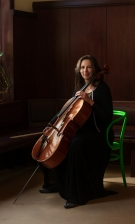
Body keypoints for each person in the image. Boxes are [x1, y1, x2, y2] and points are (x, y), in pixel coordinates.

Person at [39, 55, 116, 209]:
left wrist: (90, 101)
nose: (85, 70)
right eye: (82, 67)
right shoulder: (78, 89)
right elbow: (66, 112)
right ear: (78, 70)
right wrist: (52, 125)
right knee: (62, 144)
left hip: (99, 134)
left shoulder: (102, 89)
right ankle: (62, 184)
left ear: (94, 69)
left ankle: (77, 195)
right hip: (82, 132)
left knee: (76, 144)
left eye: (88, 67)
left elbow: (107, 117)